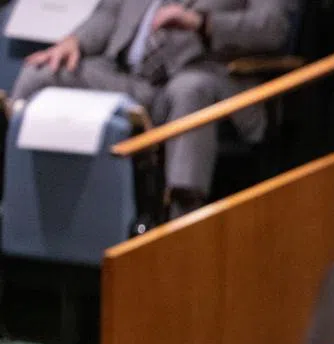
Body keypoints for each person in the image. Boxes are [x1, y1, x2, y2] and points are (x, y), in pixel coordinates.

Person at [10, 0, 297, 216]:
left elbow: (273, 28)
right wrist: (75, 41)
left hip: (204, 78)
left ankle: (182, 224)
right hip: (127, 77)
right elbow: (109, 13)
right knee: (41, 72)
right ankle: (10, 203)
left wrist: (202, 22)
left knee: (189, 89)